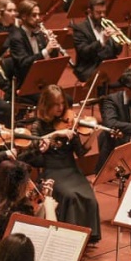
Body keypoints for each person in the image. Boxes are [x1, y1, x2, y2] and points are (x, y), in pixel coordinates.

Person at [24, 85, 101, 244]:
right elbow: (33, 147)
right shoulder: (38, 125)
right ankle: (69, 236)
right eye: (56, 104)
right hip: (53, 170)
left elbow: (80, 152)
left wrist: (93, 135)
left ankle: (87, 235)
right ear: (47, 105)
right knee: (69, 195)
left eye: (62, 104)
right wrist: (56, 134)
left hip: (71, 169)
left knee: (90, 197)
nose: (60, 108)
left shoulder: (69, 121)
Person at [9, 0, 65, 87]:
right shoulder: (16, 38)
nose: (38, 18)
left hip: (42, 79)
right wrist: (46, 51)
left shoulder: (40, 33)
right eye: (34, 15)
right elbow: (24, 63)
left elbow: (53, 57)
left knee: (67, 99)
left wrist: (52, 46)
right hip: (25, 84)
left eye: (38, 15)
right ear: (24, 16)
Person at [70, 0, 124, 83]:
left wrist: (118, 40)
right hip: (90, 66)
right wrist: (102, 42)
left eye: (104, 12)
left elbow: (118, 52)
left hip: (109, 64)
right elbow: (84, 52)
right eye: (98, 12)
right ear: (89, 12)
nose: (102, 15)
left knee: (130, 78)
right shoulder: (80, 28)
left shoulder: (107, 24)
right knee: (105, 81)